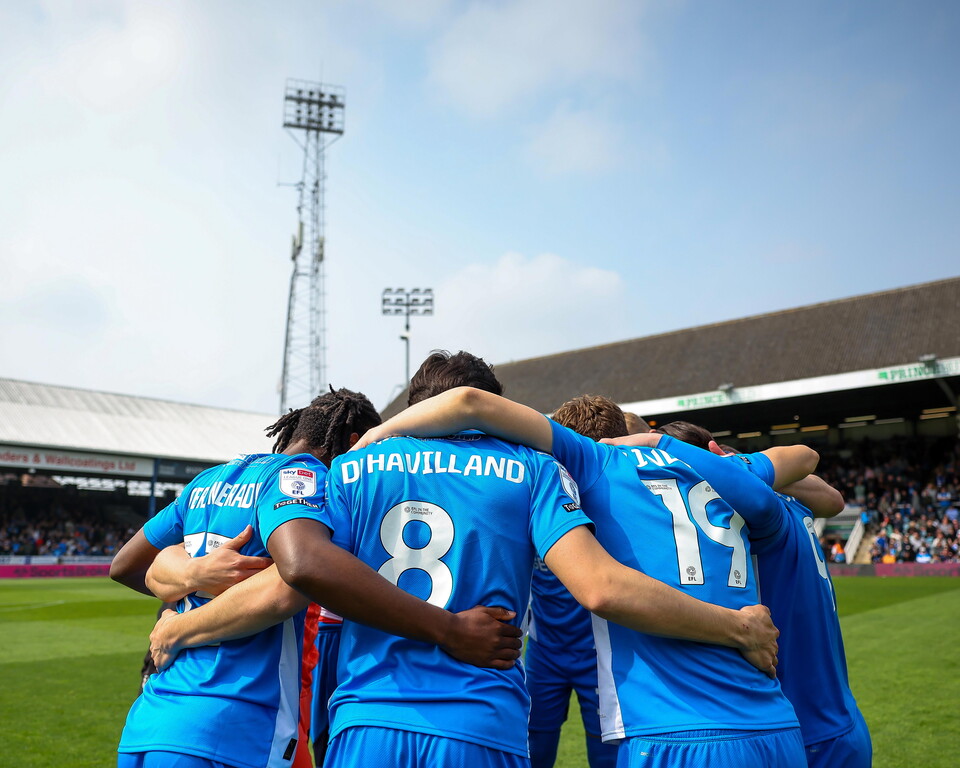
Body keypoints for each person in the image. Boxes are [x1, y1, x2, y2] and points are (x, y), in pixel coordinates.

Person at [150, 353, 778, 768]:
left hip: (368, 721)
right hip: (481, 722)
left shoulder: (348, 471)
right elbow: (599, 584)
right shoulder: (532, 469)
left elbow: (290, 577)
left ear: (416, 408)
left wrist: (177, 601)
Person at [358, 386, 810, 767]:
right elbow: (803, 456)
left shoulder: (592, 464)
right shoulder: (729, 474)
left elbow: (472, 403)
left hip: (675, 727)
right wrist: (664, 444)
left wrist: (380, 432)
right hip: (774, 723)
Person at [110, 388, 522, 768]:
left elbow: (127, 566)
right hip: (233, 724)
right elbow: (300, 572)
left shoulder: (210, 480)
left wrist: (186, 574)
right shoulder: (305, 478)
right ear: (354, 438)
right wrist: (449, 628)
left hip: (152, 716)